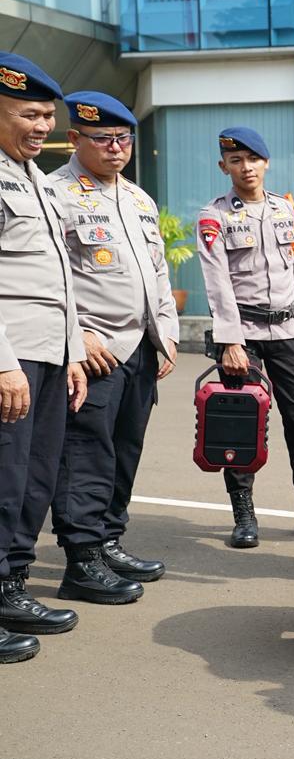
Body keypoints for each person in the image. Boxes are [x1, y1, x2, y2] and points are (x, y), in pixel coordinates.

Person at [47, 91, 178, 605]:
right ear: (74, 139)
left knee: (125, 451)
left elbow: (159, 274)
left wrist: (167, 333)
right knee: (86, 456)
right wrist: (76, 335)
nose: (117, 148)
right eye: (103, 139)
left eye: (124, 138)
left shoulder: (139, 198)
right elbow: (47, 277)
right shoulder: (55, 194)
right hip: (95, 349)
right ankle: (81, 561)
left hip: (140, 348)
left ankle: (107, 541)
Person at [196, 126, 294, 549]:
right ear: (224, 167)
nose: (246, 167)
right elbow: (217, 283)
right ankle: (244, 515)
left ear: (266, 163)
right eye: (236, 161)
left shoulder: (285, 209)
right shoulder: (214, 217)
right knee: (241, 425)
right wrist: (229, 341)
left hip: (290, 329)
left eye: (253, 159)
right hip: (244, 334)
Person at [0, 52, 88, 664]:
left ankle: (10, 586)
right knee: (3, 480)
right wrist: (3, 362)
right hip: (12, 355)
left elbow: (59, 278)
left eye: (46, 116)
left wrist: (74, 353)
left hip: (50, 353)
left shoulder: (34, 176)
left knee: (34, 479)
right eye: (28, 114)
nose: (42, 127)